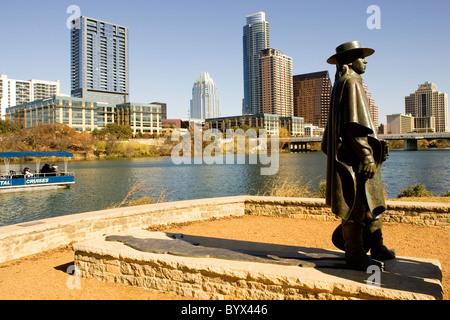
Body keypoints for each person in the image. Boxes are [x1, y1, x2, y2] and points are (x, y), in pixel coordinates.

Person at [322, 41, 395, 270]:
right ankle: (354, 251)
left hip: (354, 155)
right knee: (357, 204)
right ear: (350, 60)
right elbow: (353, 127)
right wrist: (366, 155)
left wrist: (376, 150)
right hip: (357, 158)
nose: (365, 61)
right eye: (361, 57)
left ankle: (377, 246)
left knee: (369, 200)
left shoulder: (340, 84)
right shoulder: (352, 82)